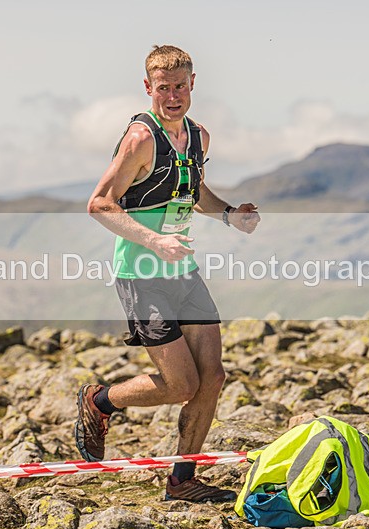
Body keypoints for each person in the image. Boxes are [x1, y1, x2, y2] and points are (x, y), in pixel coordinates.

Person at [76, 44, 260, 502]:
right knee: (182, 385)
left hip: (183, 271)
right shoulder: (140, 138)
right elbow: (99, 203)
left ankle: (182, 479)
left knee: (212, 377)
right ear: (148, 88)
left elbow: (193, 190)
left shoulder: (198, 136)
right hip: (141, 273)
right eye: (163, 88)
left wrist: (229, 214)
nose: (172, 95)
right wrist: (154, 240)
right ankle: (101, 401)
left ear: (192, 84)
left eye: (180, 86)